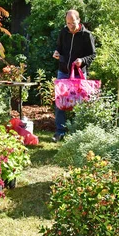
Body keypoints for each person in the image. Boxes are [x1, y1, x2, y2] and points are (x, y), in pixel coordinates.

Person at [52, 10, 96, 142]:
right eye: (68, 23)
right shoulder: (64, 32)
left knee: (80, 103)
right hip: (63, 71)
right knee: (60, 102)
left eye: (73, 22)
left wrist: (82, 60)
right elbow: (59, 48)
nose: (70, 26)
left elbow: (93, 55)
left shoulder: (87, 35)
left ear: (79, 20)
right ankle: (60, 132)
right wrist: (56, 53)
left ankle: (78, 132)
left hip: (79, 74)